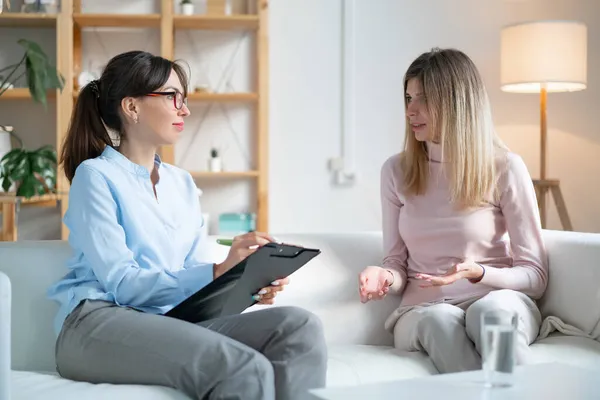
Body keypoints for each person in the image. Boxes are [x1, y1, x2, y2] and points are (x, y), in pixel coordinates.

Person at [47, 50, 327, 400]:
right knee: (242, 366)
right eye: (171, 97)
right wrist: (215, 270)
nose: (185, 109)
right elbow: (123, 285)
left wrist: (241, 280)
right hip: (96, 324)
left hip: (169, 319)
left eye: (184, 98)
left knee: (299, 327)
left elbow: (193, 275)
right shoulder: (96, 176)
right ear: (131, 107)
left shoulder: (181, 183)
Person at [358, 48, 547, 374]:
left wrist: (482, 274)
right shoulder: (396, 171)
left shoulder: (505, 167)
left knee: (492, 316)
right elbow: (396, 264)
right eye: (408, 98)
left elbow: (536, 276)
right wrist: (385, 276)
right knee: (439, 322)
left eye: (423, 99)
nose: (410, 111)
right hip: (423, 309)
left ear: (458, 103)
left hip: (497, 297)